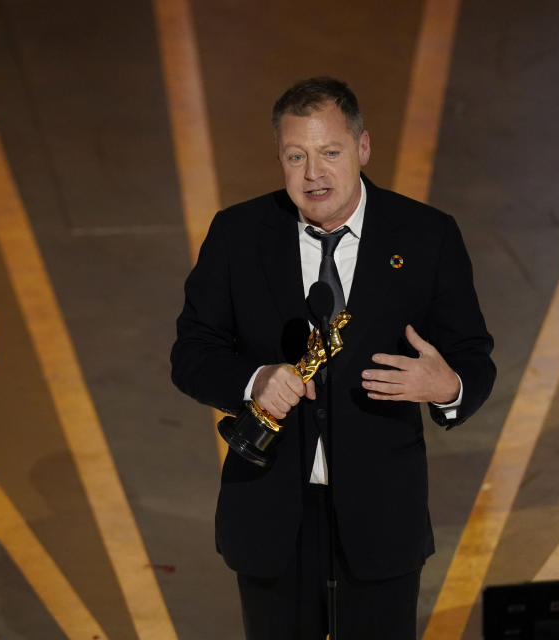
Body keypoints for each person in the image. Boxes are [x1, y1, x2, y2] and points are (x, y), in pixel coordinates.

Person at [170, 77, 495, 639]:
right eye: (296, 156)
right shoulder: (238, 234)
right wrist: (254, 379)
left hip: (380, 518)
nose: (312, 173)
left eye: (329, 152)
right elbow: (191, 353)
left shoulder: (425, 236)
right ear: (279, 157)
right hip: (270, 517)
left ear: (363, 148)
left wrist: (447, 386)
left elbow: (473, 358)